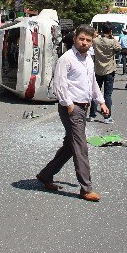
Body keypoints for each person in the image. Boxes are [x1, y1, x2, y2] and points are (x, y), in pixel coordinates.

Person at [36, 25, 108, 202]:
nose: (84, 43)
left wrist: (101, 101)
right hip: (72, 107)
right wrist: (68, 105)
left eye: (88, 40)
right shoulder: (66, 58)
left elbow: (92, 83)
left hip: (83, 107)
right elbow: (60, 85)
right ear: (75, 38)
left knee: (71, 145)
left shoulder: (88, 59)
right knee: (80, 146)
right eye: (82, 39)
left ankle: (46, 174)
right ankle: (86, 188)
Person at [90, 25, 121, 124]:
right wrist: (112, 38)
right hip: (109, 69)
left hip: (98, 69)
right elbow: (119, 48)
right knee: (107, 95)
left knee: (95, 93)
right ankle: (107, 116)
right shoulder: (112, 42)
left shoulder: (96, 41)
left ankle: (92, 115)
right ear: (111, 31)